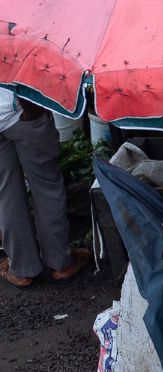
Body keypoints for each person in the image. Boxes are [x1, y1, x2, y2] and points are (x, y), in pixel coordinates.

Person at [1, 88, 86, 288]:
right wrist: (34, 111)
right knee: (47, 188)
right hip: (23, 114)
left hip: (15, 115)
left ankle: (21, 269)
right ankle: (61, 264)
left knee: (6, 195)